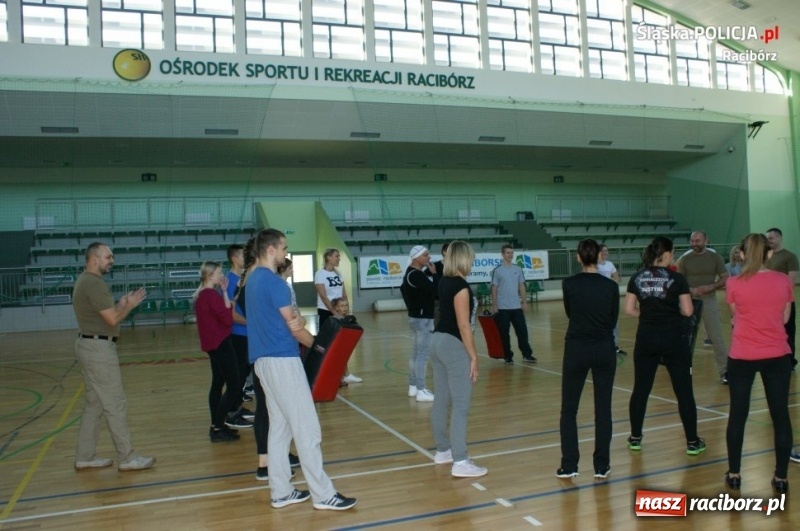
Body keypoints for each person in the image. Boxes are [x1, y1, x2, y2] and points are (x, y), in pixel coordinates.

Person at [247, 229, 356, 510]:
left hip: (262, 363)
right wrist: (322, 348)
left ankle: (281, 491)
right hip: (282, 361)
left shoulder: (252, 280)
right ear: (271, 249)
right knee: (307, 429)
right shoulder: (275, 283)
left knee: (280, 428)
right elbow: (295, 328)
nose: (286, 252)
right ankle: (323, 495)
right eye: (283, 247)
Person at [71, 242, 155, 471]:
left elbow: (106, 314)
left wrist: (121, 304)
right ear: (94, 259)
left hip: (89, 345)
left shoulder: (85, 281)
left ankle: (85, 456)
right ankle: (127, 457)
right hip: (98, 351)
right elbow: (112, 320)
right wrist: (130, 306)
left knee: (94, 405)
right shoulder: (94, 284)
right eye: (108, 257)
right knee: (115, 404)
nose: (112, 261)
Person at [723, 233, 793, 492]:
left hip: (742, 356)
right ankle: (781, 477)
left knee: (738, 415)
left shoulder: (734, 283)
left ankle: (734, 473)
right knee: (780, 416)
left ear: (741, 254)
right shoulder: (783, 280)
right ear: (770, 253)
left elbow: (734, 313)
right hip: (777, 355)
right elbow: (785, 318)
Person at [625, 236, 706, 457]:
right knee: (684, 392)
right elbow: (688, 311)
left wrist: (648, 314)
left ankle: (635, 438)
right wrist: (672, 313)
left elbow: (629, 310)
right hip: (673, 340)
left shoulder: (636, 277)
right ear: (668, 254)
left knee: (641, 390)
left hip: (646, 339)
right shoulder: (677, 278)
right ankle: (692, 442)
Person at [557, 239, 619, 480]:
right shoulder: (610, 287)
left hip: (576, 348)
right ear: (598, 257)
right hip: (603, 348)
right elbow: (612, 319)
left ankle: (569, 464)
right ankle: (601, 465)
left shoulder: (569, 284)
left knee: (569, 410)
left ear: (579, 257)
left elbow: (570, 312)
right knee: (603, 409)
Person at [237, 252, 300, 480]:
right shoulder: (255, 281)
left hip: (266, 351)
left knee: (276, 407)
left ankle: (279, 454)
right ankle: (264, 463)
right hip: (267, 353)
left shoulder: (256, 280)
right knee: (266, 407)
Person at [430, 240, 487, 478]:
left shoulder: (444, 281)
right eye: (471, 258)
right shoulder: (461, 286)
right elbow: (464, 326)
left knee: (441, 400)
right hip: (453, 346)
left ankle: (443, 450)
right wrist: (473, 356)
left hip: (437, 342)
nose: (472, 262)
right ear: (464, 259)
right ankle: (461, 460)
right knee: (461, 405)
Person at [194, 261, 244, 442]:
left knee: (217, 383)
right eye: (218, 272)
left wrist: (224, 292)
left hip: (213, 345)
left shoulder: (203, 295)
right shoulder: (210, 296)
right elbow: (227, 319)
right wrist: (227, 301)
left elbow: (224, 313)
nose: (221, 275)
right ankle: (217, 426)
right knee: (234, 385)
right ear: (210, 275)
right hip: (221, 344)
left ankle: (217, 425)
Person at [676, 230, 730, 384]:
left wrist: (711, 287)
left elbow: (725, 277)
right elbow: (679, 280)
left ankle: (725, 371)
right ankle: (681, 369)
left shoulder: (715, 257)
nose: (694, 244)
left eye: (697, 241)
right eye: (692, 241)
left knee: (716, 336)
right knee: (684, 337)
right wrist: (691, 290)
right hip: (688, 301)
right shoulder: (685, 259)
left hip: (709, 300)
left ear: (706, 240)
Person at [401, 244, 439, 401]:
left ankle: (413, 386)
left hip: (416, 317)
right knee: (422, 355)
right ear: (416, 257)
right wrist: (435, 274)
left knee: (416, 354)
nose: (428, 257)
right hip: (423, 319)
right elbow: (435, 290)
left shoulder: (411, 274)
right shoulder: (416, 275)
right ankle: (421, 390)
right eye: (426, 255)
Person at [491, 244, 536, 365]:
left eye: (512, 252)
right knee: (504, 334)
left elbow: (521, 285)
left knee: (522, 331)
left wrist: (524, 302)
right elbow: (494, 288)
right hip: (502, 308)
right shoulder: (497, 270)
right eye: (508, 252)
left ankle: (527, 354)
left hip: (516, 307)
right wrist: (494, 305)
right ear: (502, 254)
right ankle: (507, 356)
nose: (510, 255)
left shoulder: (518, 269)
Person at [224, 244, 254, 427]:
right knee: (237, 375)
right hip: (237, 334)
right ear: (235, 259)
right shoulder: (229, 280)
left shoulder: (243, 279)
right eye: (243, 255)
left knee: (243, 374)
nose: (247, 257)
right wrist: (252, 324)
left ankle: (237, 406)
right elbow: (231, 313)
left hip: (246, 333)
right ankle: (231, 414)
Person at [765, 228, 798, 367]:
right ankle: (774, 358)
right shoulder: (765, 257)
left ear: (779, 238)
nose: (769, 241)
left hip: (784, 302)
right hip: (766, 303)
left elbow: (792, 281)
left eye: (771, 238)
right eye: (767, 239)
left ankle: (790, 361)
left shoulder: (790, 257)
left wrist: (778, 295)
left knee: (787, 331)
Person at [597, 244, 626, 356]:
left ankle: (614, 345)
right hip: (598, 298)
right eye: (603, 251)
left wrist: (612, 284)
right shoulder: (594, 265)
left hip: (609, 297)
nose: (605, 253)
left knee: (614, 322)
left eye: (606, 251)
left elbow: (617, 278)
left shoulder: (610, 264)